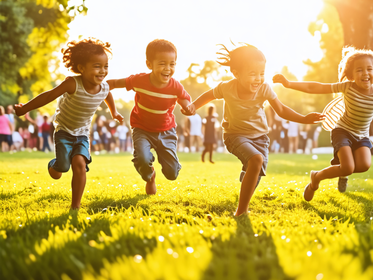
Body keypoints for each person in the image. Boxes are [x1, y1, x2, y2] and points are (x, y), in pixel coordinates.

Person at [182, 44, 324, 216]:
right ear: (236, 73)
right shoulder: (227, 87)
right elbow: (209, 95)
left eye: (262, 74)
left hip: (260, 138)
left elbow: (281, 110)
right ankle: (241, 212)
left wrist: (304, 119)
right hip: (234, 136)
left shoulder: (264, 89)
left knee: (255, 173)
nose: (258, 79)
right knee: (256, 161)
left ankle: (246, 178)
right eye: (252, 74)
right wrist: (193, 106)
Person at [274, 46, 373, 199]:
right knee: (347, 167)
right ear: (351, 75)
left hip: (362, 135)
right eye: (359, 70)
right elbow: (315, 87)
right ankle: (316, 177)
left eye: (369, 69)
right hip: (342, 131)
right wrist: (289, 83)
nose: (365, 73)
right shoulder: (347, 87)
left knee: (363, 166)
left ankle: (343, 172)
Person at [14, 38, 123, 209]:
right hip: (63, 130)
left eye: (105, 66)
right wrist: (25, 108)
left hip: (82, 133)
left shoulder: (103, 87)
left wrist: (114, 112)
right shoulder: (73, 83)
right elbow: (49, 95)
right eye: (97, 66)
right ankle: (54, 165)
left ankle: (75, 206)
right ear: (81, 68)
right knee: (62, 169)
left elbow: (108, 93)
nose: (103, 71)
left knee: (79, 163)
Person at [108, 39, 192, 195]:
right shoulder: (140, 80)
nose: (168, 68)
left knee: (172, 174)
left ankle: (171, 166)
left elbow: (183, 97)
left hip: (166, 131)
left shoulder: (175, 86)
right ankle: (150, 176)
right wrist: (97, 87)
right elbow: (113, 83)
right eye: (162, 63)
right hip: (142, 129)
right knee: (143, 159)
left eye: (172, 64)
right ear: (149, 64)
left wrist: (186, 105)